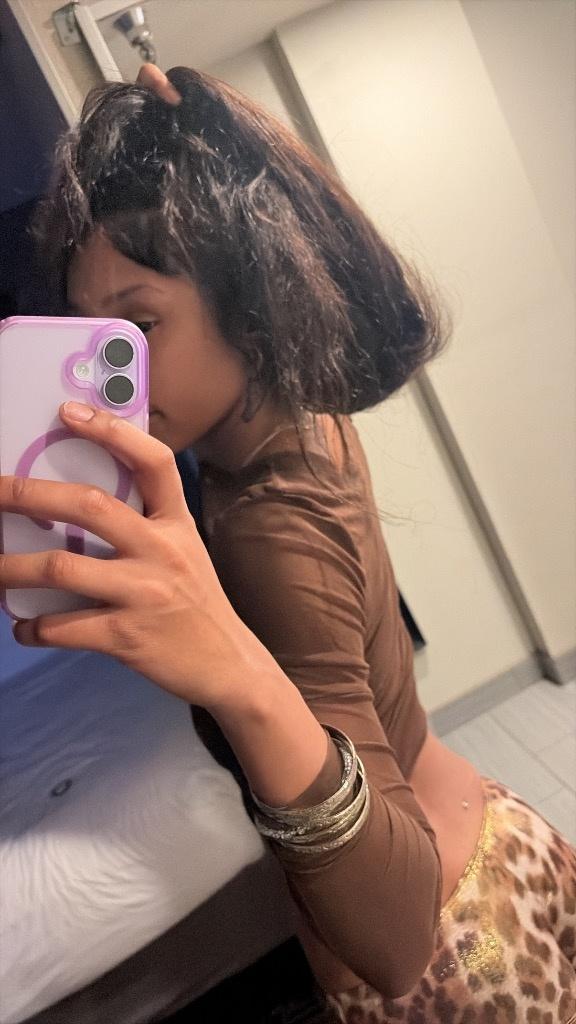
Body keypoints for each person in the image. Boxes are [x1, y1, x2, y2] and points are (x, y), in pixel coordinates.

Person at [1, 64, 574, 1024]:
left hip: (458, 950)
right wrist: (221, 138)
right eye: (98, 340)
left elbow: (395, 941)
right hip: (496, 838)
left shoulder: (266, 528)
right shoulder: (298, 419)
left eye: (140, 325)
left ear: (247, 296)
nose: (115, 378)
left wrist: (236, 671)